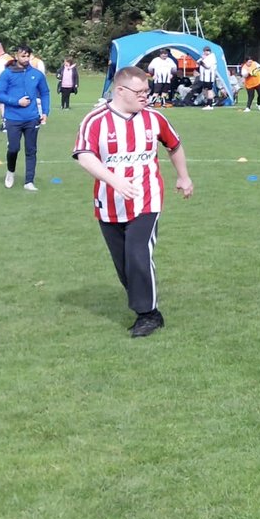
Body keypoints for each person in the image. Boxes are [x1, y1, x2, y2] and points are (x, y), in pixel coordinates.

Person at [72, 66, 194, 337]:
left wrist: (183, 177)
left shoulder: (155, 118)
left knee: (138, 254)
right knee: (124, 263)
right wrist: (114, 180)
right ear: (120, 91)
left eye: (146, 91)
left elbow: (174, 145)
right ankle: (144, 303)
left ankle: (149, 314)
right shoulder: (95, 120)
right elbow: (84, 156)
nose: (145, 96)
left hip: (146, 200)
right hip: (109, 204)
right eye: (139, 92)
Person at [0, 45, 51, 191]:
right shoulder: (7, 74)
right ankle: (10, 172)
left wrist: (45, 111)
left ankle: (29, 181)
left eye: (27, 56)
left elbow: (45, 92)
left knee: (31, 150)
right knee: (13, 148)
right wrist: (17, 102)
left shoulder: (37, 74)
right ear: (16, 56)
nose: (25, 59)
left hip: (32, 118)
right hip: (13, 118)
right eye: (23, 56)